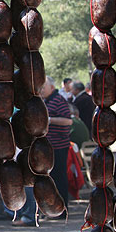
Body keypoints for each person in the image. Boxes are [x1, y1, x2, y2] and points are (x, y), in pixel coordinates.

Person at [41, 76, 73, 208]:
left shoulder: (58, 100)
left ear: (52, 88)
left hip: (59, 146)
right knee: (51, 178)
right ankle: (54, 207)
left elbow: (68, 120)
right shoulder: (45, 101)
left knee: (59, 178)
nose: (41, 90)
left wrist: (50, 120)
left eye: (44, 87)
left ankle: (62, 208)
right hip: (48, 147)